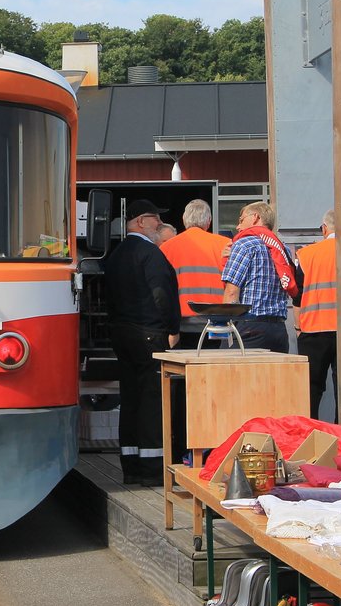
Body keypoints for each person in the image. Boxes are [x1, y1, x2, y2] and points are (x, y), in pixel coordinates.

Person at [100, 199, 180, 486]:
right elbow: (162, 294)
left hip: (122, 333)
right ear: (140, 222)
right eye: (155, 218)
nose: (159, 223)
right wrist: (172, 328)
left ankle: (131, 465)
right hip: (149, 334)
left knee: (131, 398)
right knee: (152, 400)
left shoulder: (116, 255)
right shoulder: (151, 254)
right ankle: (152, 468)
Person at [220, 202, 298, 353]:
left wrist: (226, 327)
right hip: (278, 330)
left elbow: (231, 292)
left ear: (255, 217)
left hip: (249, 327)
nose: (238, 226)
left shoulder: (244, 244)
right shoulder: (283, 249)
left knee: (227, 366)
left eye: (241, 220)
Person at [160, 199, 231, 347]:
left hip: (180, 323)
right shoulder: (225, 245)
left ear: (184, 220)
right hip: (217, 322)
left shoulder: (167, 247)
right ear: (209, 221)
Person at [296, 210, 338, 419]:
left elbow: (296, 296)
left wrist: (298, 328)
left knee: (311, 389)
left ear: (324, 228)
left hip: (313, 329)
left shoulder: (307, 254)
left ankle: (311, 432)